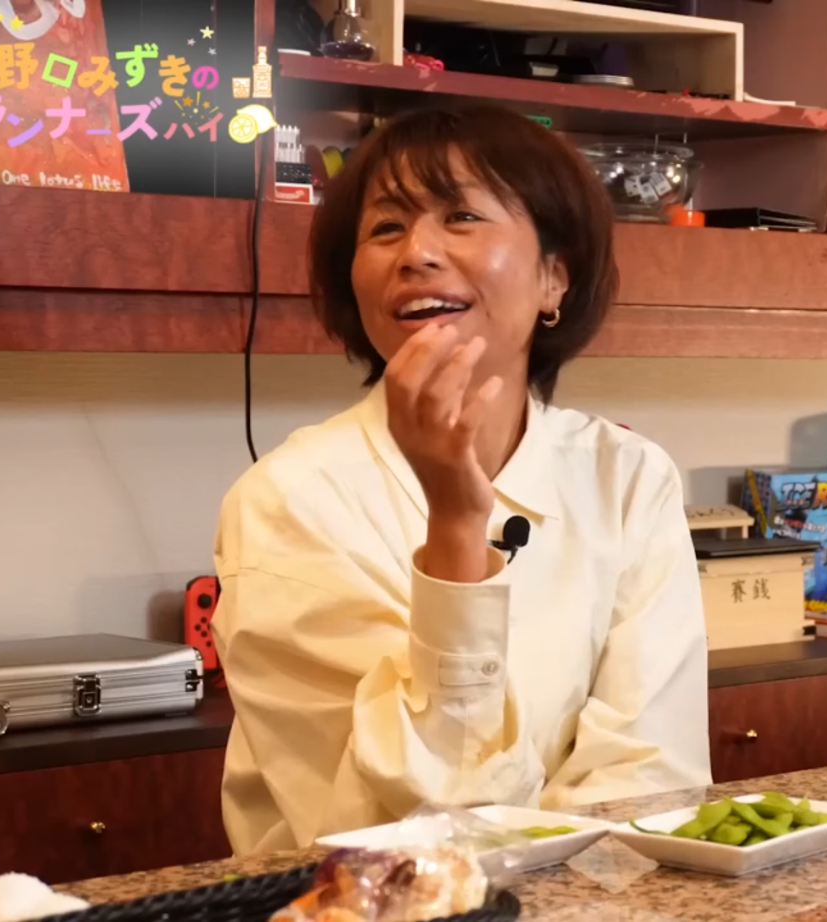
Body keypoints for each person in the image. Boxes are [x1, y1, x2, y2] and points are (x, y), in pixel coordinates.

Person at [210, 106, 712, 855]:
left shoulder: (628, 476)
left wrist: (571, 891)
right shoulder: (289, 500)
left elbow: (651, 777)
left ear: (554, 278)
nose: (416, 253)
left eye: (462, 217)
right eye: (386, 228)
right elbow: (402, 827)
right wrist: (454, 523)